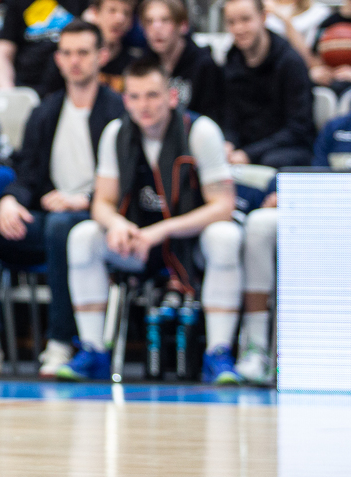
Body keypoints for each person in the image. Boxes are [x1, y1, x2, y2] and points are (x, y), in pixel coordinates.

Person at [56, 56, 243, 384]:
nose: (144, 105)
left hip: (190, 241)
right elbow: (102, 202)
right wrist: (117, 224)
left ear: (172, 96)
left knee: (225, 237)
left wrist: (162, 230)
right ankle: (93, 349)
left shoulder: (201, 131)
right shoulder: (116, 133)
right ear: (125, 100)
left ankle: (218, 352)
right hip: (139, 242)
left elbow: (223, 206)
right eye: (135, 96)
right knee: (83, 236)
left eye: (153, 95)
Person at [0, 20, 124, 376]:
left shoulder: (118, 112)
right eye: (67, 53)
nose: (74, 61)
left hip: (97, 218)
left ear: (102, 56)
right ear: (58, 59)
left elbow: (128, 178)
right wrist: (10, 200)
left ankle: (61, 343)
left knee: (61, 227)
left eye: (83, 53)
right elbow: (27, 171)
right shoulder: (46, 110)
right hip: (50, 214)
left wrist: (87, 200)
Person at [237, 38, 351, 385]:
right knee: (259, 224)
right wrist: (290, 197)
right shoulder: (337, 128)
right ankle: (255, 344)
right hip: (336, 222)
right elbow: (317, 181)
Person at [219, 0, 315, 168]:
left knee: (272, 161)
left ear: (263, 17)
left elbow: (298, 129)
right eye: (231, 22)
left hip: (288, 149)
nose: (238, 29)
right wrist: (228, 144)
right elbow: (229, 118)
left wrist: (249, 154)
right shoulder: (231, 62)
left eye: (246, 19)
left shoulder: (290, 62)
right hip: (244, 150)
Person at [139, 0, 222, 122]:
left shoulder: (204, 65)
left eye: (165, 20)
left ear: (183, 26)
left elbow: (212, 118)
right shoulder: (141, 66)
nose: (156, 28)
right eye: (149, 22)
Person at [90, 0, 140, 92]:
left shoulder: (136, 64)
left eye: (126, 13)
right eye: (112, 10)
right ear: (95, 13)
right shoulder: (79, 57)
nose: (120, 19)